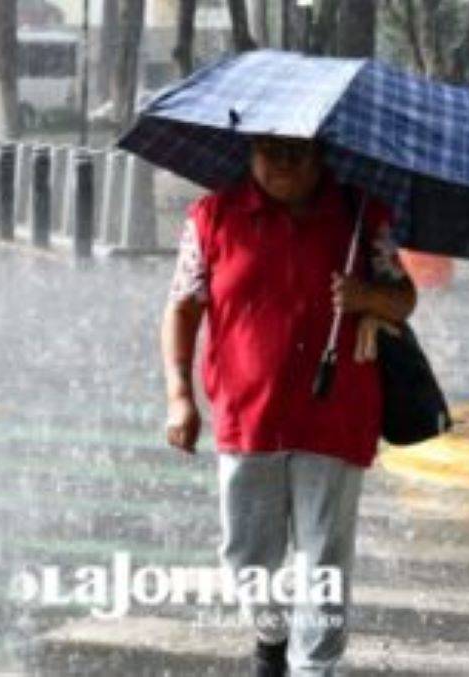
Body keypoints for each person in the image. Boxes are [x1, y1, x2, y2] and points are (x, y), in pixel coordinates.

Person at [161, 134, 417, 676]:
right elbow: (182, 308)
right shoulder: (212, 216)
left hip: (335, 417)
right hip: (245, 417)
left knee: (322, 561)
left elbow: (403, 297)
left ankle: (314, 667)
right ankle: (270, 633)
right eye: (268, 150)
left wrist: (366, 296)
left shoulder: (358, 214)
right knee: (246, 558)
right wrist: (180, 395)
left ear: (321, 156)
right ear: (248, 152)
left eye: (296, 152)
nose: (282, 163)